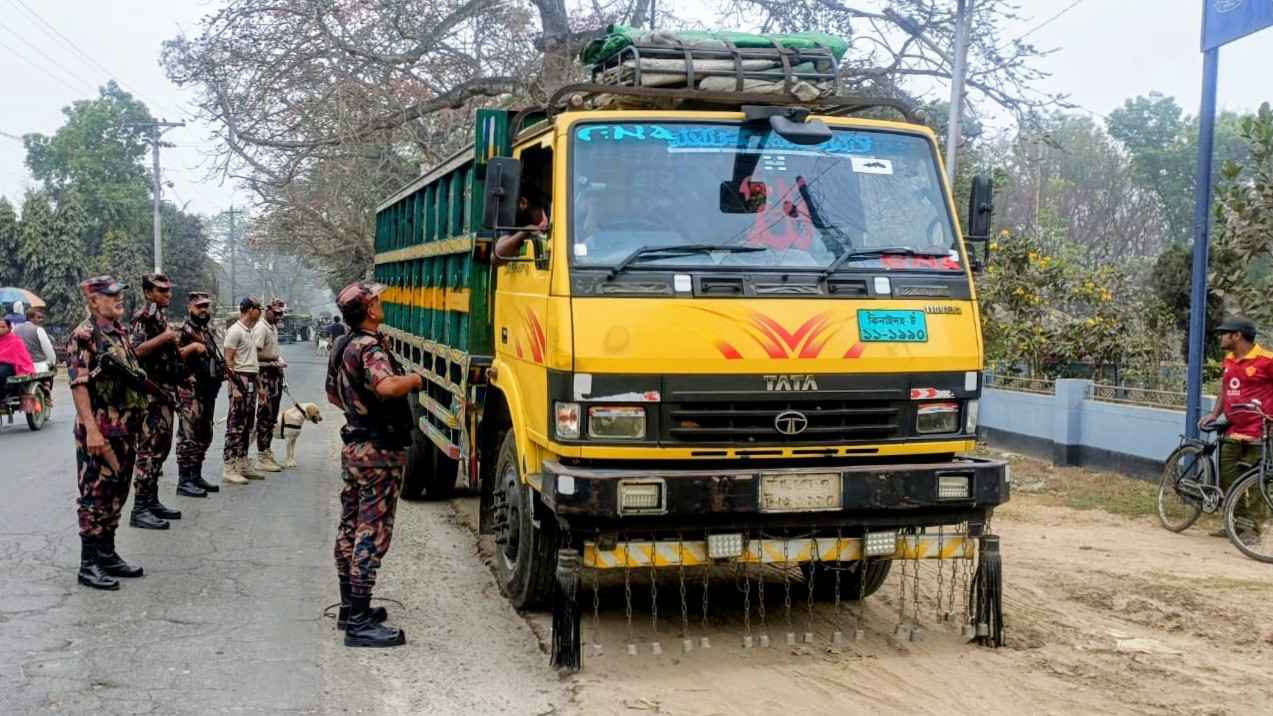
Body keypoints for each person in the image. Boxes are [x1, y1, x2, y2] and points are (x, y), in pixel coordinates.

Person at [327, 280, 423, 648]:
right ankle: (360, 623)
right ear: (369, 309)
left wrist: (358, 411)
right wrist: (412, 380)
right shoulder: (368, 347)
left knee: (350, 525)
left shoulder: (341, 345)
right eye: (378, 300)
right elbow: (386, 387)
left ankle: (350, 609)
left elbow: (333, 395)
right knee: (372, 530)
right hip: (378, 452)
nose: (382, 303)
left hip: (355, 448)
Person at [66, 276, 147, 590]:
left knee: (118, 491)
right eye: (111, 295)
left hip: (125, 429)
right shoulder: (84, 335)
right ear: (93, 300)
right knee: (95, 495)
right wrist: (91, 429)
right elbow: (79, 383)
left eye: (119, 295)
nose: (118, 299)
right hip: (100, 429)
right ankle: (88, 564)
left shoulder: (120, 333)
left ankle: (108, 554)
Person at [1198, 316, 1273, 541]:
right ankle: (1236, 523)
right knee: (1228, 479)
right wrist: (1214, 413)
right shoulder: (1229, 359)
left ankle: (1253, 529)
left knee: (1259, 482)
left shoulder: (1266, 360)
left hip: (1260, 433)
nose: (1221, 337)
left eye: (1224, 333)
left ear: (1237, 335)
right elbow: (1224, 387)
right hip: (1233, 431)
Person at [128, 273, 191, 528]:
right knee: (149, 451)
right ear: (147, 293)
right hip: (150, 393)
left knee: (161, 449)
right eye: (161, 291)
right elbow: (136, 351)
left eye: (168, 290)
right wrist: (164, 338)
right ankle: (140, 508)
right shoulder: (143, 317)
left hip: (165, 390)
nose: (168, 294)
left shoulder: (159, 315)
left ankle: (152, 502)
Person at [175, 291, 224, 496]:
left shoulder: (207, 330)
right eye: (199, 306)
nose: (204, 310)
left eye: (206, 306)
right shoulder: (182, 330)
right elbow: (173, 356)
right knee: (188, 436)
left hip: (208, 390)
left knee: (205, 434)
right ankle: (184, 481)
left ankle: (196, 475)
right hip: (189, 391)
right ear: (190, 308)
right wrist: (193, 347)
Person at [222, 297, 263, 484]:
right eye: (258, 308)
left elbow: (253, 362)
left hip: (251, 379)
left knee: (247, 424)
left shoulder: (250, 331)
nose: (260, 311)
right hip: (239, 379)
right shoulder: (235, 331)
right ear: (248, 310)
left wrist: (260, 387)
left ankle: (242, 462)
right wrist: (235, 387)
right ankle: (229, 467)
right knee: (235, 425)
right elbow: (228, 361)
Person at [252, 298, 288, 473]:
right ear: (268, 310)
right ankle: (261, 455)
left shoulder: (272, 326)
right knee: (265, 415)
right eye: (276, 313)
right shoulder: (261, 328)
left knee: (272, 416)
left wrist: (277, 359)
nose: (279, 316)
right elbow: (254, 354)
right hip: (264, 375)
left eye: (281, 313)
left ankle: (266, 450)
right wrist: (273, 360)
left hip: (274, 374)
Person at [492, 186, 550, 262]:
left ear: (523, 202)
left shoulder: (556, 214)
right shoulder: (520, 222)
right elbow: (495, 256)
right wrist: (525, 231)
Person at [0, 317, 36, 400]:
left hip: (9, 366)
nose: (0, 329)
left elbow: (22, 358)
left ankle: (2, 397)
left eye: (3, 327)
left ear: (9, 328)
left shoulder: (15, 341)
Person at [15, 305, 58, 372]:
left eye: (41, 318)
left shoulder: (15, 329)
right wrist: (53, 362)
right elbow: (48, 349)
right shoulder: (38, 329)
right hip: (39, 366)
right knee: (52, 370)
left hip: (21, 367)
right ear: (30, 318)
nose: (41, 320)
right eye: (38, 317)